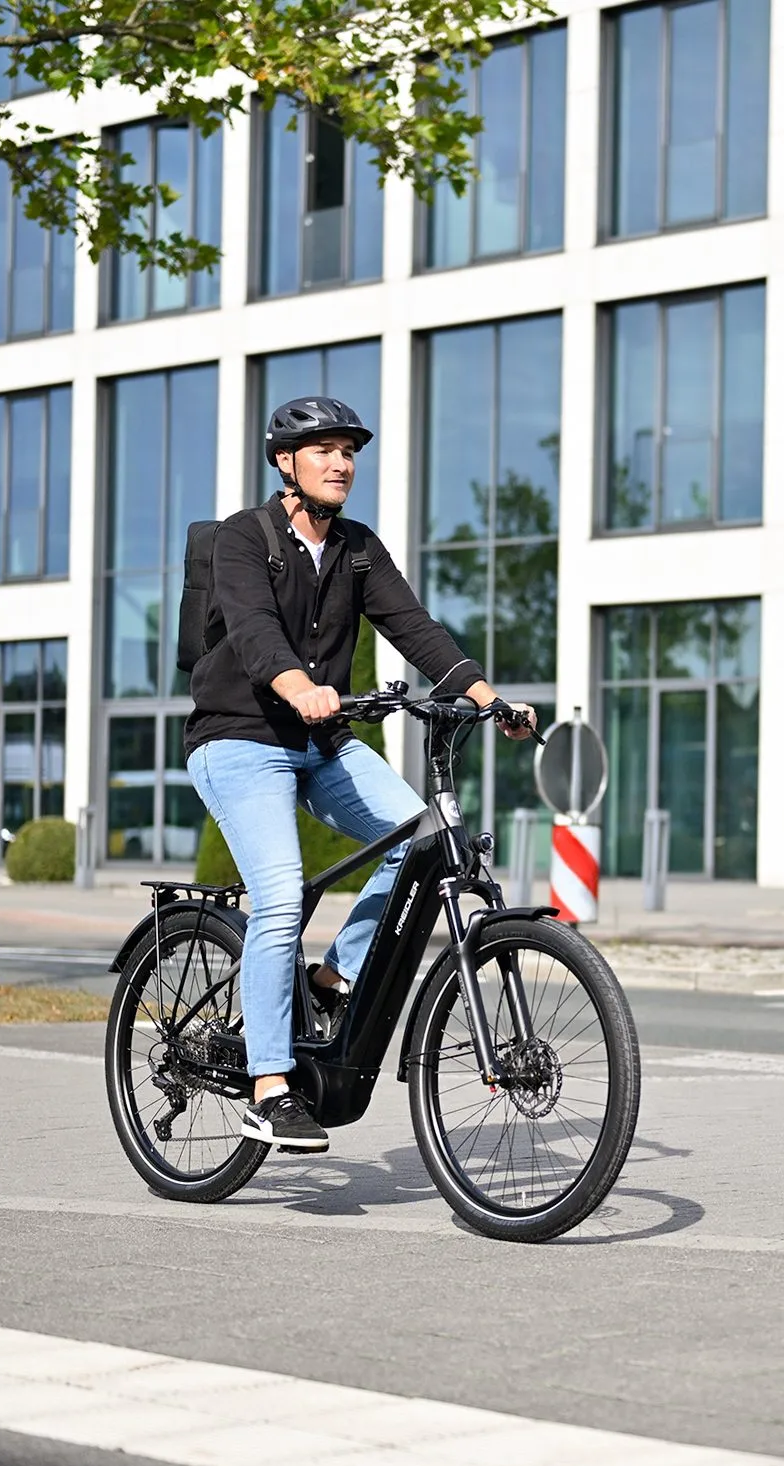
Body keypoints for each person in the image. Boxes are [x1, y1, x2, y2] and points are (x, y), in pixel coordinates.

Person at [186, 395, 535, 1152]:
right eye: (324, 450)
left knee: (419, 836)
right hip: (241, 739)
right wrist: (295, 685)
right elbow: (251, 631)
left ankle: (331, 977)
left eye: (349, 450)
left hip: (324, 740)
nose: (342, 463)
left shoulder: (358, 548)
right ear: (286, 461)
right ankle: (270, 1086)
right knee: (279, 894)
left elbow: (413, 627)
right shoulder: (243, 539)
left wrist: (487, 698)